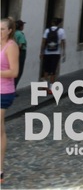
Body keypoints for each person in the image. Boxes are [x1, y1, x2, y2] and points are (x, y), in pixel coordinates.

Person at [1, 17, 19, 185]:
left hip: (4, 93)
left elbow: (14, 72)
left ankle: (0, 170)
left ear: (9, 31)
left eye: (2, 29)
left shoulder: (11, 47)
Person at [40, 18, 66, 91]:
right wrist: (64, 52)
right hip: (56, 53)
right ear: (58, 24)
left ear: (52, 23)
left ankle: (44, 86)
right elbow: (63, 41)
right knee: (53, 70)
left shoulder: (47, 30)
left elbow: (43, 41)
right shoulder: (61, 31)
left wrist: (41, 52)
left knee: (46, 69)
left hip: (47, 52)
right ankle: (51, 88)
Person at [14, 20, 27, 90]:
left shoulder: (13, 33)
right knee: (19, 71)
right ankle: (13, 89)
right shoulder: (20, 34)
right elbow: (21, 45)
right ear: (21, 26)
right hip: (20, 53)